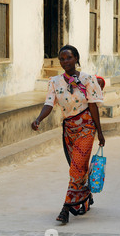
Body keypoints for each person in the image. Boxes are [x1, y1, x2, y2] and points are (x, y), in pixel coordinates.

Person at [31, 45, 105, 225]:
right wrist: (38, 119)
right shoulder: (55, 81)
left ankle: (65, 209)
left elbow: (93, 105)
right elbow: (49, 103)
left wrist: (99, 132)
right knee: (78, 168)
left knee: (76, 168)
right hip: (69, 129)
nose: (65, 62)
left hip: (87, 126)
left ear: (77, 58)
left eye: (69, 58)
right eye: (62, 59)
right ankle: (86, 196)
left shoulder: (88, 79)